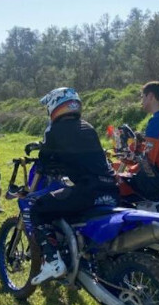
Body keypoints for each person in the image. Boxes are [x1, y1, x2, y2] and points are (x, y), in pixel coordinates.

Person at [29, 87, 119, 285]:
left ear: (55, 106)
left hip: (87, 191)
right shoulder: (88, 126)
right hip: (111, 189)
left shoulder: (55, 130)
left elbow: (43, 164)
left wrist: (31, 189)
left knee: (38, 208)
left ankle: (53, 261)